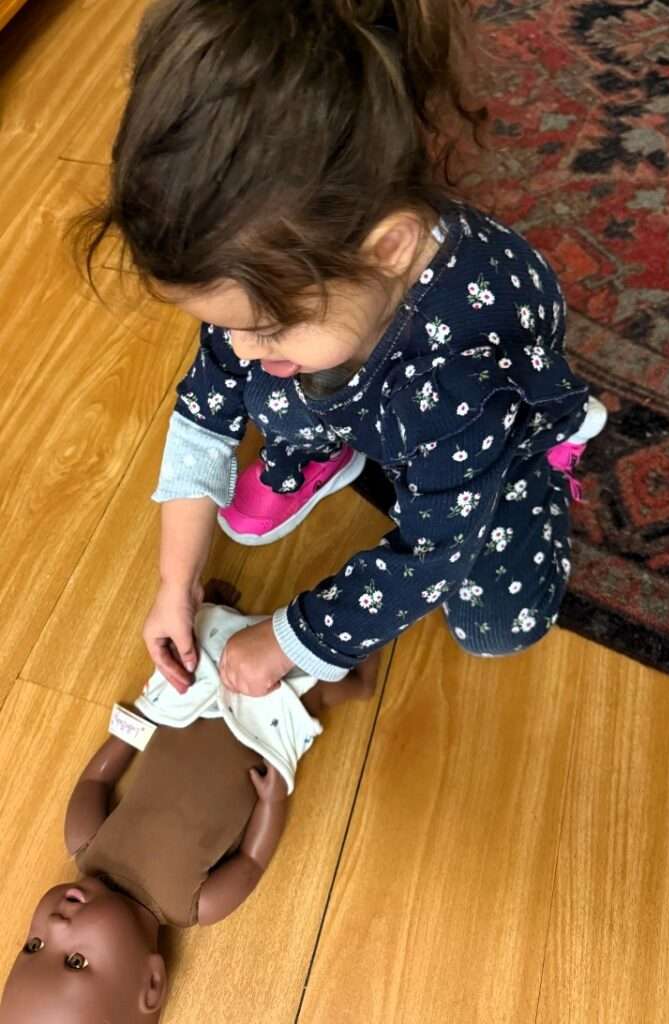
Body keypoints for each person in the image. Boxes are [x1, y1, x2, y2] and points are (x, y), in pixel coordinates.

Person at [75, 0, 606, 700]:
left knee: (497, 625)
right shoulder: (273, 282)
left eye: (265, 327)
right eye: (224, 323)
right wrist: (176, 581)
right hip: (377, 379)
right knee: (268, 375)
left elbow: (431, 553)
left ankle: (545, 459)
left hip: (481, 425)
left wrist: (290, 639)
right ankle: (327, 439)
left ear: (388, 249)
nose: (238, 347)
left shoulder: (461, 382)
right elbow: (206, 407)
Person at [0, 581, 378, 1023]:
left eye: (34, 945)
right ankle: (359, 682)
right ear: (151, 983)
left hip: (190, 705)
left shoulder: (85, 842)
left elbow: (95, 779)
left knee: (194, 639)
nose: (55, 926)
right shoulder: (197, 904)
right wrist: (272, 801)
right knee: (313, 687)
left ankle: (219, 609)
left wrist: (136, 725)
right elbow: (252, 860)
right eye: (75, 961)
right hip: (261, 728)